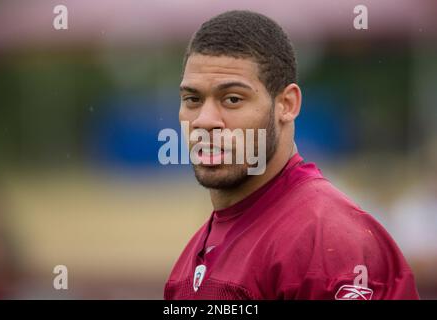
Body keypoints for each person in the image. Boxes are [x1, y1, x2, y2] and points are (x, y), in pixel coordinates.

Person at [164, 10, 419, 300]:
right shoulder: (192, 257)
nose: (205, 120)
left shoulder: (326, 241)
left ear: (287, 104)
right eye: (192, 99)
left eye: (232, 99)